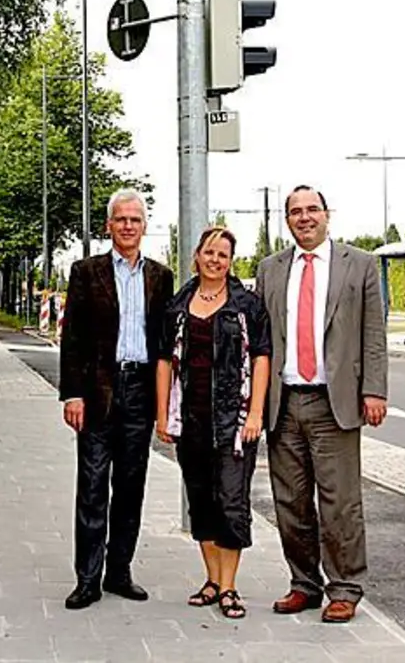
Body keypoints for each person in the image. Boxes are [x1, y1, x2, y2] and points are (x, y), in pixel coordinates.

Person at [254, 185, 388, 623]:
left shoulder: (360, 265)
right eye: (296, 211)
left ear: (327, 214)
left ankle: (345, 587)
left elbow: (374, 334)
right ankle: (304, 584)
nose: (305, 217)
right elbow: (259, 340)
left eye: (312, 209)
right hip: (284, 402)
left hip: (336, 403)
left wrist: (375, 391)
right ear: (287, 220)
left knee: (339, 502)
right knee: (290, 502)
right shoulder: (270, 269)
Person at [58, 188, 174, 610]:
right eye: (121, 219)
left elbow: (165, 344)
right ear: (108, 226)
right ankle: (87, 578)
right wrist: (71, 393)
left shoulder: (161, 276)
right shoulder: (86, 272)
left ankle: (119, 571)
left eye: (135, 220)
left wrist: (165, 406)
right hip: (96, 395)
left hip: (140, 391)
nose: (128, 226)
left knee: (130, 486)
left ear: (145, 226)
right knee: (91, 486)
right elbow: (71, 337)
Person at [154, 226, 273, 619]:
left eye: (223, 254)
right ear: (197, 255)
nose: (215, 259)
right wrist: (161, 416)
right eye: (209, 252)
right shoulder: (177, 306)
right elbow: (165, 362)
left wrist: (255, 413)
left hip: (234, 421)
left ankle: (230, 586)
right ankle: (211, 579)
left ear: (230, 260)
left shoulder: (247, 305)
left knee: (232, 501)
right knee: (201, 500)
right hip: (191, 420)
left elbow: (261, 357)